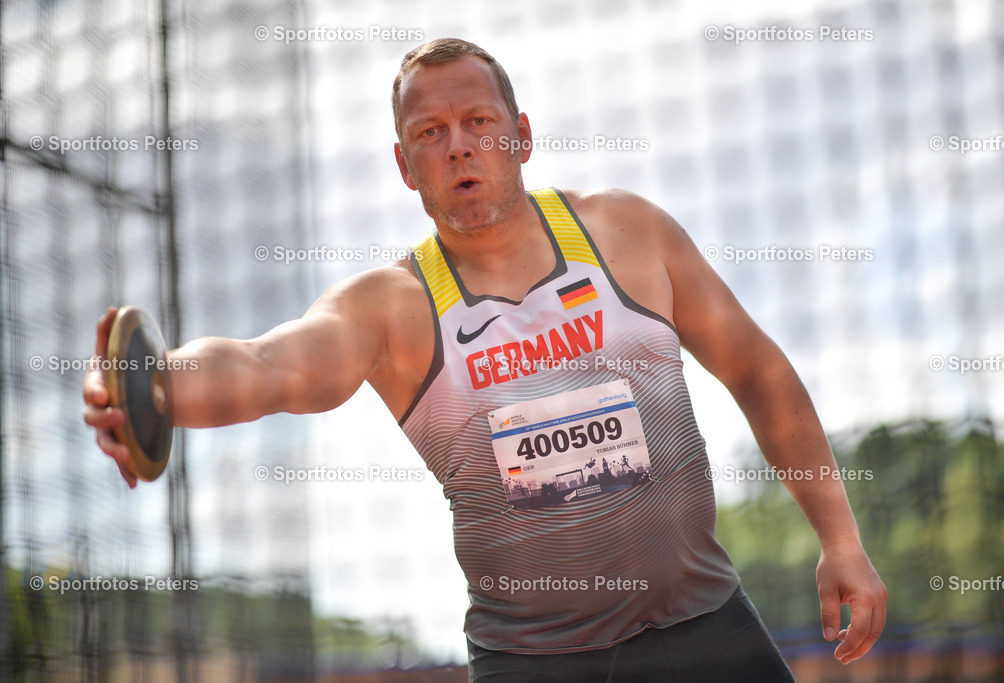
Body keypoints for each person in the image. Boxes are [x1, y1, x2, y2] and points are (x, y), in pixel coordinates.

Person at [84, 38, 886, 680]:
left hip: (706, 627)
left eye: (477, 122)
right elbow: (270, 367)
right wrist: (152, 384)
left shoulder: (627, 234)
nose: (458, 147)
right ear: (405, 165)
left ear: (522, 136)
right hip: (534, 661)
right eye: (430, 134)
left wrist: (841, 538)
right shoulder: (392, 305)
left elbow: (758, 369)